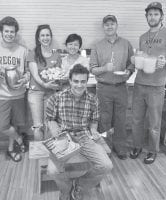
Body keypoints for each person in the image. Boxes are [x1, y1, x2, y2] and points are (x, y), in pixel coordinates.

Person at [46, 64, 113, 200]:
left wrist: (93, 130)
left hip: (84, 137)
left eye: (83, 81)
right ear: (70, 81)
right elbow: (50, 119)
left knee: (106, 166)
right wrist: (54, 128)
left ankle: (80, 185)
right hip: (63, 138)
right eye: (76, 81)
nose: (79, 85)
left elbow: (94, 121)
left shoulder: (93, 99)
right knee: (52, 171)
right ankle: (66, 189)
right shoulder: (56, 98)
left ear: (87, 82)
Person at [130, 2, 166, 164]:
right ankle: (137, 146)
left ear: (161, 16)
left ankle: (152, 150)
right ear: (146, 17)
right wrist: (134, 60)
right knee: (136, 119)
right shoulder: (143, 37)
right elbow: (143, 58)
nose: (152, 17)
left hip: (156, 86)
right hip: (139, 84)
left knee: (153, 122)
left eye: (155, 14)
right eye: (150, 14)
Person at [89, 15, 135, 160]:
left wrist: (129, 70)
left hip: (121, 87)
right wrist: (105, 68)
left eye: (112, 24)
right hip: (103, 88)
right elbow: (92, 69)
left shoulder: (126, 44)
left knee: (121, 119)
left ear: (116, 25)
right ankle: (105, 148)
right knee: (104, 119)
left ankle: (120, 148)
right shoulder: (97, 45)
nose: (109, 26)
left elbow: (131, 63)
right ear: (103, 27)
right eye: (106, 24)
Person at [0, 16, 29, 162]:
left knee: (15, 124)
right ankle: (20, 139)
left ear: (15, 33)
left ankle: (11, 149)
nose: (9, 34)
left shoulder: (23, 51)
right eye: (6, 31)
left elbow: (28, 71)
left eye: (12, 31)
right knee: (4, 126)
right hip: (1, 95)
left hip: (18, 94)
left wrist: (26, 78)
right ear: (1, 32)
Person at [27, 24, 62, 141]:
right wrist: (44, 84)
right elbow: (35, 75)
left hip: (51, 93)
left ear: (51, 37)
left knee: (49, 124)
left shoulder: (57, 55)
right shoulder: (32, 53)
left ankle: (48, 152)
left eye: (47, 35)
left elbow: (58, 74)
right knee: (38, 126)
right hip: (35, 92)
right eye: (42, 35)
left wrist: (58, 82)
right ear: (38, 38)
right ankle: (40, 152)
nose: (45, 38)